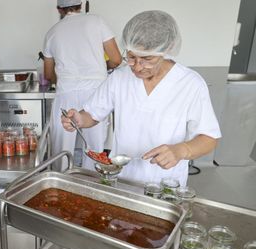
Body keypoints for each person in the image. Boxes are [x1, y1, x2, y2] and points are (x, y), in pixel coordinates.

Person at [61, 10, 221, 186]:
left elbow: (209, 138)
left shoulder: (190, 84)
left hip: (165, 184)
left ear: (166, 50)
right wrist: (79, 119)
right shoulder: (119, 78)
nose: (137, 67)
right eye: (131, 57)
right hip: (121, 179)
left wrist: (181, 150)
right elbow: (91, 114)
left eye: (147, 59)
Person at [43, 0, 121, 170]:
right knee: (94, 149)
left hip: (66, 94)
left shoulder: (52, 32)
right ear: (82, 4)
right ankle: (91, 187)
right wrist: (101, 67)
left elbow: (48, 74)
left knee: (60, 151)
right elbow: (116, 59)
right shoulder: (97, 21)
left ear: (59, 9)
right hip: (96, 93)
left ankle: (59, 185)